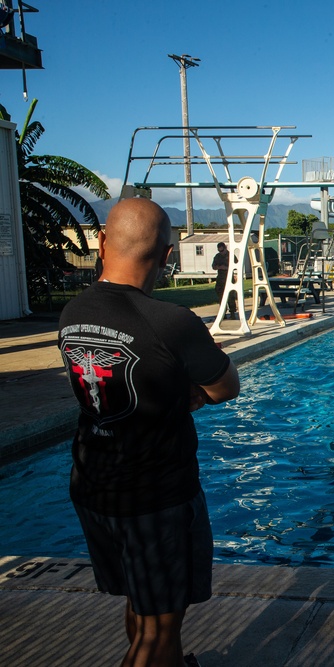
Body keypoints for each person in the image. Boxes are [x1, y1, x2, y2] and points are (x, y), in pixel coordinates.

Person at [57, 198, 241, 667]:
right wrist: (189, 390)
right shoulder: (171, 322)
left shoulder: (71, 313)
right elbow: (225, 387)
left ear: (101, 243)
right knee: (159, 629)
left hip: (94, 485)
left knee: (142, 604)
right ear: (165, 256)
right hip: (155, 495)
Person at [211, 241, 238, 319]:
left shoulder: (231, 256)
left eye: (222, 250)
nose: (221, 252)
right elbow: (213, 266)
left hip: (229, 278)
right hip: (220, 279)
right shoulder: (217, 256)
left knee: (230, 296)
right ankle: (223, 313)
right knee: (221, 296)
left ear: (225, 248)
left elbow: (236, 265)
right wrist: (220, 267)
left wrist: (227, 268)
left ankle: (232, 313)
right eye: (219, 251)